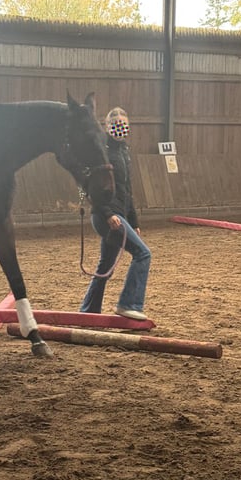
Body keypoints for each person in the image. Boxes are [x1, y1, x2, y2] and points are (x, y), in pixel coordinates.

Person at [80, 106, 151, 320]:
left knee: (106, 267)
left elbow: (127, 190)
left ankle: (88, 311)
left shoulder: (123, 152)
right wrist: (108, 213)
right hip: (107, 216)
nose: (120, 129)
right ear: (107, 126)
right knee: (143, 254)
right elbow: (91, 186)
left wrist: (134, 221)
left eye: (123, 125)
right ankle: (128, 304)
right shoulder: (101, 151)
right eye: (116, 125)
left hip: (120, 214)